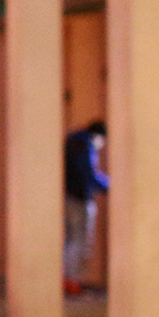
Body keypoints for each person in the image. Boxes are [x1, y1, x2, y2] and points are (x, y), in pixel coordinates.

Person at [62, 120, 108, 295]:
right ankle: (72, 281)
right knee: (78, 241)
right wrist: (108, 186)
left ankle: (69, 280)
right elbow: (87, 174)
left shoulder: (74, 141)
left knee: (71, 240)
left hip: (70, 196)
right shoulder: (84, 145)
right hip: (79, 198)